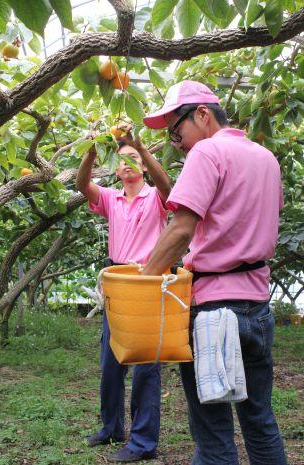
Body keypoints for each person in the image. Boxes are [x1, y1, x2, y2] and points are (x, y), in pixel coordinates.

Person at [141, 80, 287, 465]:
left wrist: (144, 281)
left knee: (213, 431)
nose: (177, 142)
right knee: (259, 420)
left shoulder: (207, 152)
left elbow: (181, 228)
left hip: (214, 312)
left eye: (177, 130)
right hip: (257, 308)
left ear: (202, 114)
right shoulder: (266, 157)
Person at [75, 132, 171, 463]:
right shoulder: (111, 199)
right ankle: (111, 427)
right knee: (110, 361)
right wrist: (92, 151)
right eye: (123, 160)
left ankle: (144, 442)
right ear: (116, 169)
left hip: (147, 280)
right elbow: (81, 185)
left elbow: (169, 188)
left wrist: (140, 145)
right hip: (116, 280)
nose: (128, 164)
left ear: (144, 166)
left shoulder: (156, 198)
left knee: (146, 366)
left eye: (135, 159)